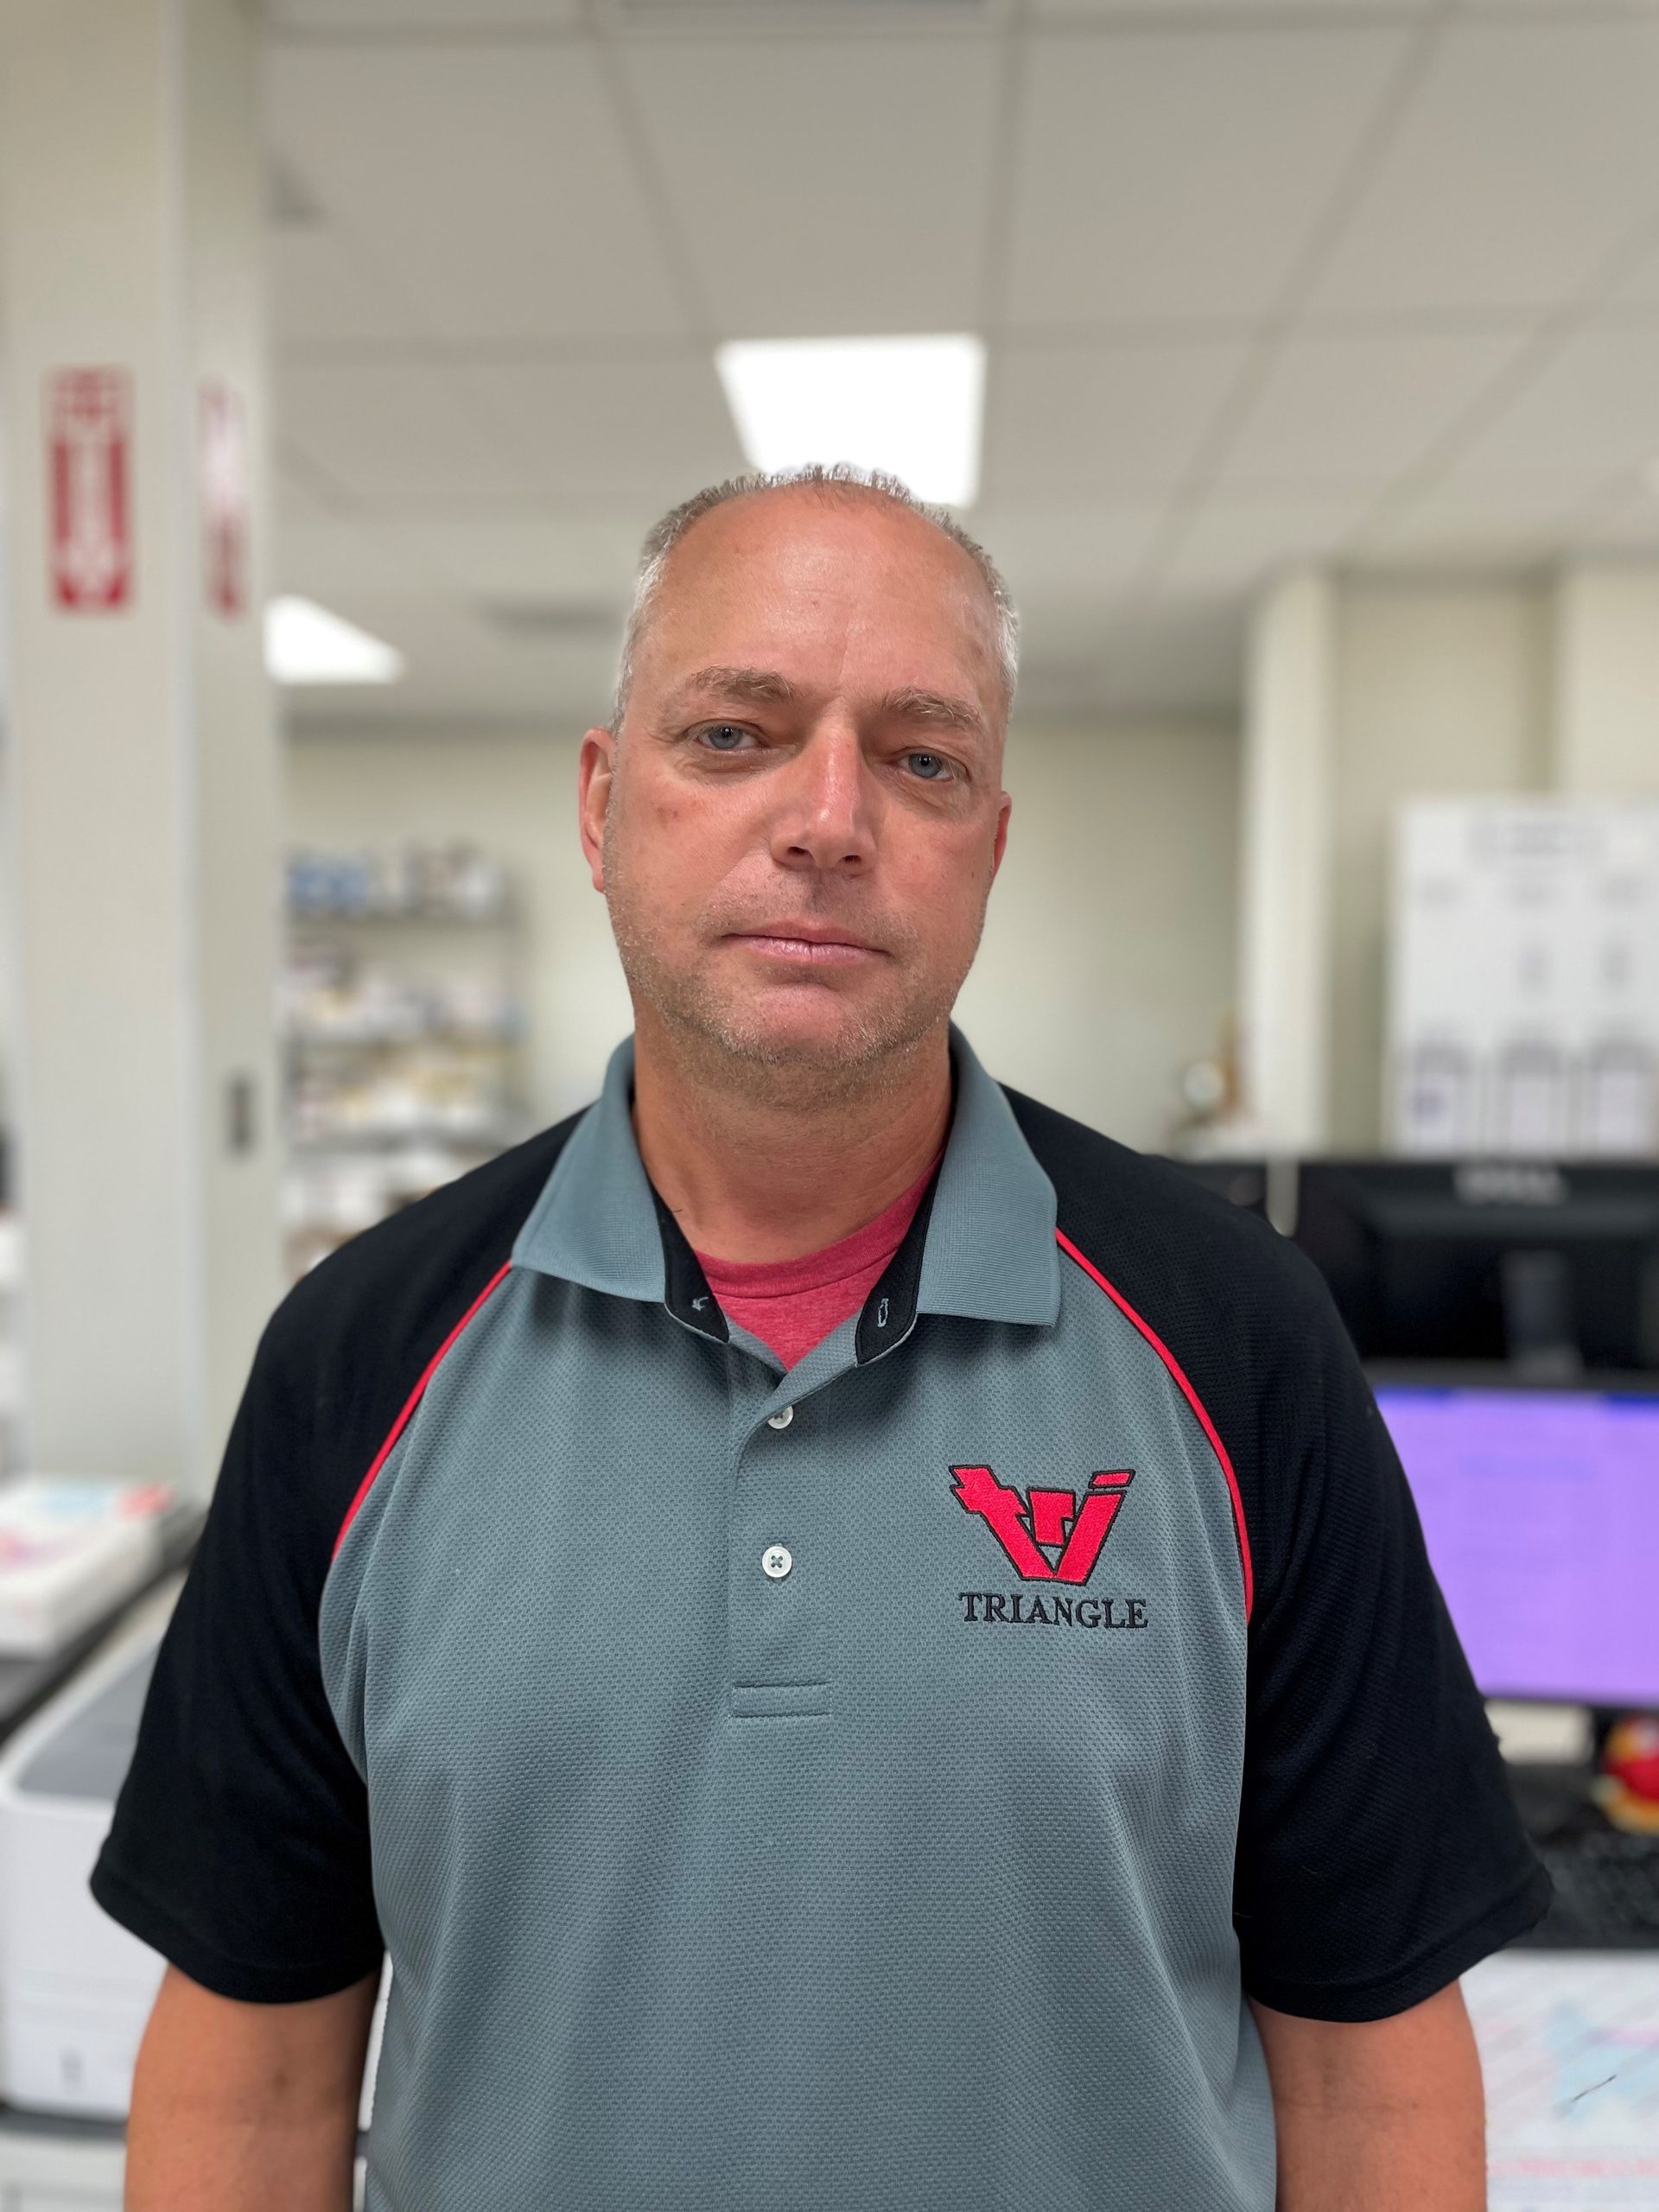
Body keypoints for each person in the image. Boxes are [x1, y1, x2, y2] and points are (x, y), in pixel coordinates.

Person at [95, 464, 1549, 2212]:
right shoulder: (357, 1354)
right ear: (602, 803)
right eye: (736, 734)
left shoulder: (1238, 1338)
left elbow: (1374, 2075)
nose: (829, 817)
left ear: (989, 846)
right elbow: (251, 2083)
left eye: (923, 759)